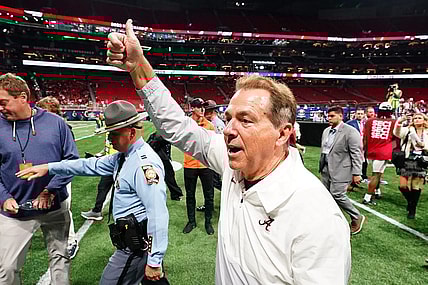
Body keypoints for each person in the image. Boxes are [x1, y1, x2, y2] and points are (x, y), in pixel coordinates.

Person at [105, 20, 351, 284]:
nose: (228, 130)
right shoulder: (234, 166)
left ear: (283, 133)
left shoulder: (317, 218)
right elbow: (177, 126)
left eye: (246, 120)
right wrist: (139, 67)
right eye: (229, 118)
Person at [17, 100, 170, 284]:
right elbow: (88, 165)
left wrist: (155, 260)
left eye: (114, 134)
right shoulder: (125, 156)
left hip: (135, 247)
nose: (110, 139)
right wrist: (49, 167)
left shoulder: (143, 164)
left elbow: (158, 213)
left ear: (131, 132)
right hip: (131, 242)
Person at [0, 73, 79, 285]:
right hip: (15, 210)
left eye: (3, 102)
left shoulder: (56, 123)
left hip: (54, 207)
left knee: (60, 262)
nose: (0, 108)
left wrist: (51, 189)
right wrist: (3, 197)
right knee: (6, 269)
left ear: (23, 97)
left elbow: (72, 160)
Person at [36, 96, 79, 258]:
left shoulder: (63, 128)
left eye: (46, 112)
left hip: (60, 174)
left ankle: (70, 241)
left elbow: (70, 158)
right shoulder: (35, 128)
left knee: (63, 207)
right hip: (42, 175)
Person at [319, 106, 365, 235]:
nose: (329, 118)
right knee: (326, 196)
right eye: (328, 116)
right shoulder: (327, 131)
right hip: (326, 168)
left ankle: (356, 216)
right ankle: (331, 221)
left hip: (342, 169)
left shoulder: (350, 131)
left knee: (337, 194)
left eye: (332, 116)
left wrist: (357, 173)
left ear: (341, 116)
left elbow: (356, 153)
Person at [181, 97, 215, 235]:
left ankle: (208, 222)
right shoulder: (187, 125)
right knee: (190, 195)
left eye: (203, 107)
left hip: (206, 165)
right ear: (192, 108)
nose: (201, 109)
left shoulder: (210, 125)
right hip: (189, 165)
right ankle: (191, 221)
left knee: (209, 195)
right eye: (198, 106)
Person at [393, 113, 428, 219]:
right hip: (408, 159)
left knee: (415, 186)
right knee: (403, 185)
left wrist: (424, 146)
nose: (417, 120)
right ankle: (410, 202)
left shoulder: (427, 132)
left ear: (424, 120)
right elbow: (397, 133)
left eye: (419, 118)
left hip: (422, 160)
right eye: (415, 118)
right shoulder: (408, 130)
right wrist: (399, 122)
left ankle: (412, 210)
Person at [362, 102, 396, 205]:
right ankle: (367, 197)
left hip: (371, 150)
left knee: (378, 173)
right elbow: (396, 139)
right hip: (383, 151)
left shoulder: (369, 121)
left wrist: (364, 150)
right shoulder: (394, 122)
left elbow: (365, 138)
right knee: (376, 174)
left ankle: (377, 191)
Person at [80, 132, 116, 221]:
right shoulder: (110, 132)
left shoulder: (115, 132)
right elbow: (107, 148)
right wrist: (99, 155)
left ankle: (97, 211)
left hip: (114, 165)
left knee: (104, 188)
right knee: (107, 188)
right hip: (112, 164)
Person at [146, 131, 184, 201]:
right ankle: (175, 194)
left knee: (165, 175)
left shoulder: (157, 135)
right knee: (167, 175)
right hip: (159, 158)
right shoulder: (160, 136)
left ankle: (175, 193)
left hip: (159, 158)